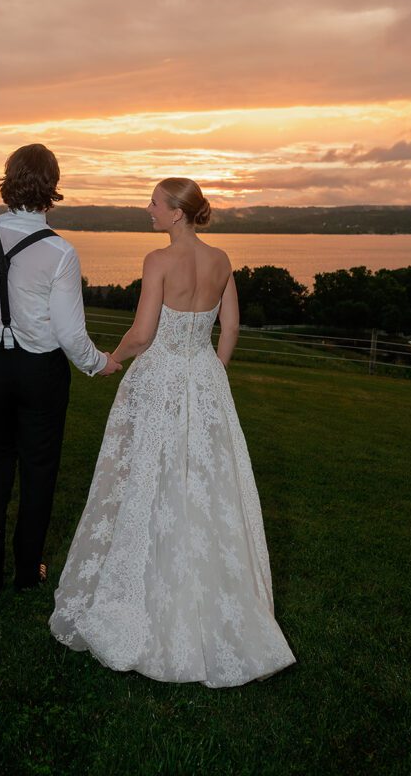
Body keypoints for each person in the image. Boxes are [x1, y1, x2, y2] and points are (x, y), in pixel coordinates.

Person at [49, 177, 296, 685]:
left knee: (144, 478)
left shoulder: (157, 261)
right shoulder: (222, 259)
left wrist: (106, 361)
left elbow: (143, 333)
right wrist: (212, 371)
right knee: (204, 484)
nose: (148, 210)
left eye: (155, 204)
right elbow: (229, 327)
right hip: (204, 377)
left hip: (160, 378)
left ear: (178, 213)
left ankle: (146, 592)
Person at [0, 144, 121, 593]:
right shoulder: (60, 253)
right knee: (39, 464)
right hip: (40, 370)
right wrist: (100, 364)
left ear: (8, 178)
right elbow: (71, 334)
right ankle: (27, 566)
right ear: (52, 186)